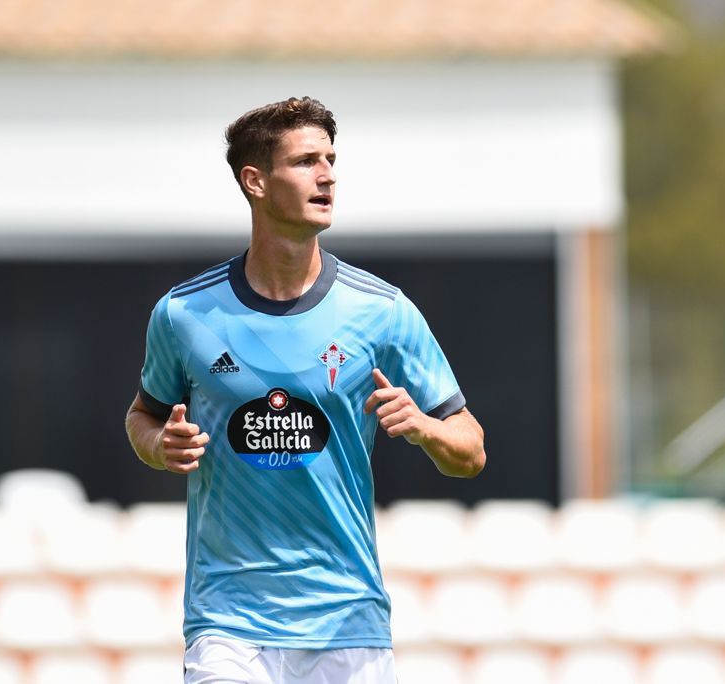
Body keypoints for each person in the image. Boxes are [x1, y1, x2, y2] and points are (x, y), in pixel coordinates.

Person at [125, 96, 486, 684]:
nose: (327, 176)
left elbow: (470, 451)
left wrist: (425, 428)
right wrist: (159, 445)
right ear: (255, 182)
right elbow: (143, 416)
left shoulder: (383, 311)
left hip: (348, 622)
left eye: (330, 160)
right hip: (228, 623)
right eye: (305, 162)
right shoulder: (183, 313)